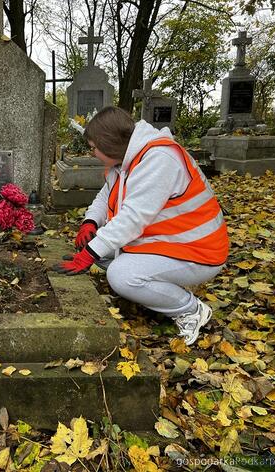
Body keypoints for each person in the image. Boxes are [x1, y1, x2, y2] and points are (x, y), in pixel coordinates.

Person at [55, 106, 228, 345]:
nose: (92, 153)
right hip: (168, 242)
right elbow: (106, 196)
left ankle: (190, 309)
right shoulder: (127, 160)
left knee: (121, 276)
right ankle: (153, 288)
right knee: (100, 253)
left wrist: (90, 253)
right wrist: (90, 221)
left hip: (198, 250)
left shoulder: (159, 159)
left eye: (94, 148)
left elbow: (132, 219)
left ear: (108, 143)